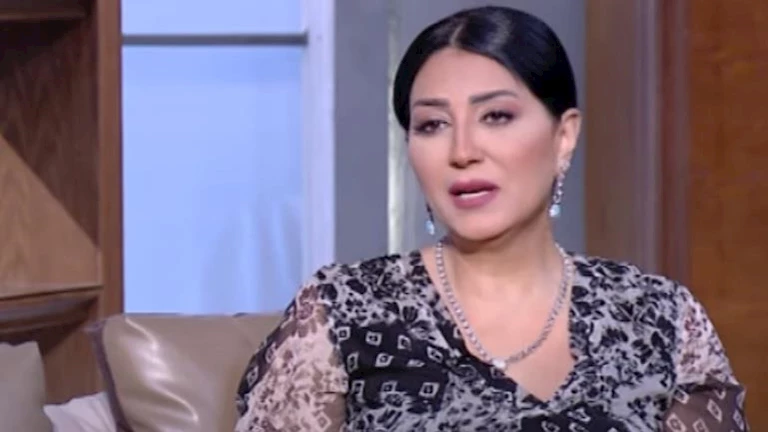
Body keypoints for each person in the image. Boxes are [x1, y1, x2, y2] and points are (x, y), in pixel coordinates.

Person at [234, 6, 748, 431]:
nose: (462, 151)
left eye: (496, 116)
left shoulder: (659, 316)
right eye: (432, 124)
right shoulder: (344, 310)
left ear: (563, 136)